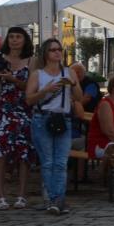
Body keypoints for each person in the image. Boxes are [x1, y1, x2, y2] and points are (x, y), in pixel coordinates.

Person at [25, 38, 80, 214]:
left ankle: (57, 199)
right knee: (48, 162)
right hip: (43, 118)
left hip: (63, 119)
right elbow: (28, 99)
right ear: (45, 54)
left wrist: (73, 84)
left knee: (61, 162)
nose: (57, 52)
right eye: (52, 50)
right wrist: (45, 91)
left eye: (59, 49)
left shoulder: (69, 71)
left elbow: (78, 96)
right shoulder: (38, 75)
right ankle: (53, 199)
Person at [0, 27, 35, 210]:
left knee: (24, 151)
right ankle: (1, 195)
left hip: (23, 108)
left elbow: (31, 86)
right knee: (0, 149)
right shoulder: (1, 59)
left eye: (18, 37)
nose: (14, 40)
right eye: (11, 37)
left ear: (24, 40)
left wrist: (12, 79)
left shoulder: (31, 61)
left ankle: (22, 194)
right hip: (4, 109)